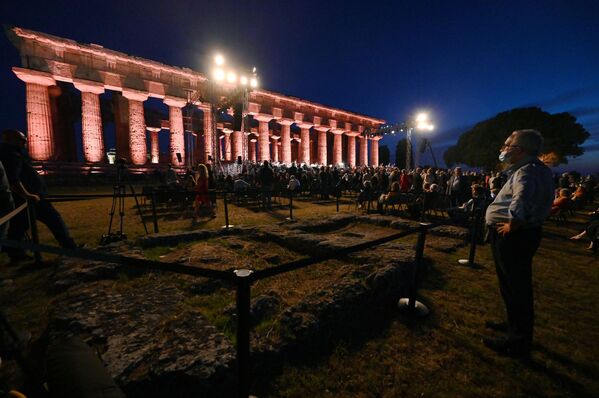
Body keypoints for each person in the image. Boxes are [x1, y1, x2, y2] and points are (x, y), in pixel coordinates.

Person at [484, 129, 554, 358]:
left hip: (513, 237)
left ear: (520, 150)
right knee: (513, 285)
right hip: (524, 234)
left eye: (507, 145)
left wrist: (513, 225)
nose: (502, 149)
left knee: (516, 286)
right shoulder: (539, 170)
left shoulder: (526, 172)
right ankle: (514, 325)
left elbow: (521, 200)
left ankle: (517, 341)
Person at [0, 129, 77, 262]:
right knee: (54, 219)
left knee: (19, 226)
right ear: (11, 140)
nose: (25, 143)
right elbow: (13, 179)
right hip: (31, 198)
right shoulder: (11, 154)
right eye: (22, 140)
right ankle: (69, 247)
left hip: (23, 198)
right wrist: (28, 195)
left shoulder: (11, 153)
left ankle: (16, 254)